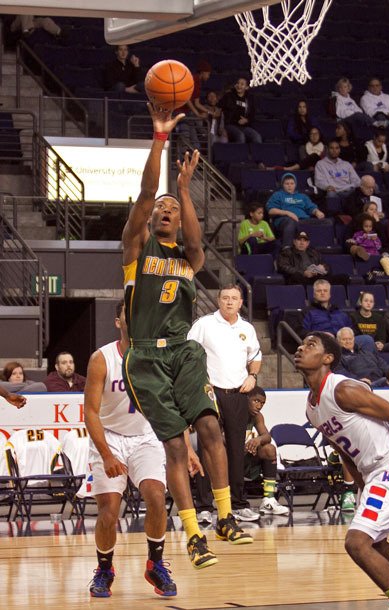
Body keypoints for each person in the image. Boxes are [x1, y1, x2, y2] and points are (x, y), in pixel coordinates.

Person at [121, 105, 252, 570]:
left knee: (211, 429)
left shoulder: (190, 259)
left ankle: (225, 516)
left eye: (172, 211)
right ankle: (193, 534)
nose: (166, 212)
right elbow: (142, 195)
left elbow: (196, 243)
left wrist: (183, 190)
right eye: (161, 209)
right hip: (144, 359)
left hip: (183, 352)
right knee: (176, 446)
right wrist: (160, 140)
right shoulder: (137, 250)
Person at [294, 331, 389, 610]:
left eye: (310, 345)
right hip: (373, 474)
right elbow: (342, 449)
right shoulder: (311, 410)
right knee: (376, 541)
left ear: (328, 358)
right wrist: (361, 486)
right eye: (302, 344)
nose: (301, 347)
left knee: (357, 543)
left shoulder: (342, 389)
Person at [84, 301, 177, 598]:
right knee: (109, 511)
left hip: (144, 436)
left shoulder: (157, 356)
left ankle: (155, 564)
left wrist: (186, 447)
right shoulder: (102, 358)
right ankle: (104, 570)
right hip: (109, 438)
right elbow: (90, 413)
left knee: (156, 497)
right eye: (129, 313)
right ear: (118, 321)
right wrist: (107, 455)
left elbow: (169, 406)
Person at [187, 284, 262, 522]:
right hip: (209, 392)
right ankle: (204, 506)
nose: (230, 302)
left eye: (234, 299)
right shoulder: (204, 324)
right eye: (225, 298)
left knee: (236, 449)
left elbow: (255, 356)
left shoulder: (247, 328)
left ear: (241, 303)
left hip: (237, 392)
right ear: (218, 300)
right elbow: (188, 352)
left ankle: (238, 504)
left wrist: (253, 377)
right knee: (207, 447)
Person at [245, 386, 289, 516]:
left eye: (262, 403)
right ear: (247, 398)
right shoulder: (233, 412)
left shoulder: (257, 416)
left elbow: (267, 436)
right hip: (229, 460)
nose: (259, 406)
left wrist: (257, 440)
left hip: (246, 460)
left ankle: (268, 500)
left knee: (269, 449)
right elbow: (218, 439)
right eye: (256, 401)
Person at [300, 279, 374, 352]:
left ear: (329, 294)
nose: (322, 293)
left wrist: (346, 335)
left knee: (367, 340)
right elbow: (302, 332)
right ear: (314, 294)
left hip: (344, 341)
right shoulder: (307, 312)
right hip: (322, 342)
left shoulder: (340, 312)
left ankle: (368, 363)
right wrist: (320, 334)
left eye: (325, 291)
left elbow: (355, 330)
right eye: (319, 291)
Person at [265, 172, 325, 249]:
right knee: (290, 222)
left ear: (295, 184)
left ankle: (319, 248)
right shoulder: (278, 195)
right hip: (284, 220)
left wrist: (317, 212)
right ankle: (287, 248)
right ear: (282, 185)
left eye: (292, 183)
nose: (289, 186)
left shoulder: (302, 196)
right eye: (287, 184)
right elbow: (271, 210)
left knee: (327, 222)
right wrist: (288, 213)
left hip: (303, 220)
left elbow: (311, 207)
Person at [277, 231, 347, 286]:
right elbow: (283, 266)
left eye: (304, 240)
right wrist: (303, 273)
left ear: (308, 243)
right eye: (299, 240)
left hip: (316, 278)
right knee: (296, 277)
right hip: (301, 278)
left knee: (344, 277)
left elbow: (325, 265)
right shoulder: (287, 252)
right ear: (294, 241)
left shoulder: (314, 252)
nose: (302, 243)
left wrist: (324, 268)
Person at [219, 77, 262, 144]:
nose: (239, 85)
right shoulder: (229, 96)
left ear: (246, 87)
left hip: (244, 127)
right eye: (238, 83)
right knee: (240, 136)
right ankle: (239, 154)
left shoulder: (250, 99)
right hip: (230, 125)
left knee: (257, 137)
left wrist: (246, 120)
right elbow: (219, 107)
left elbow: (252, 114)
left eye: (242, 84)